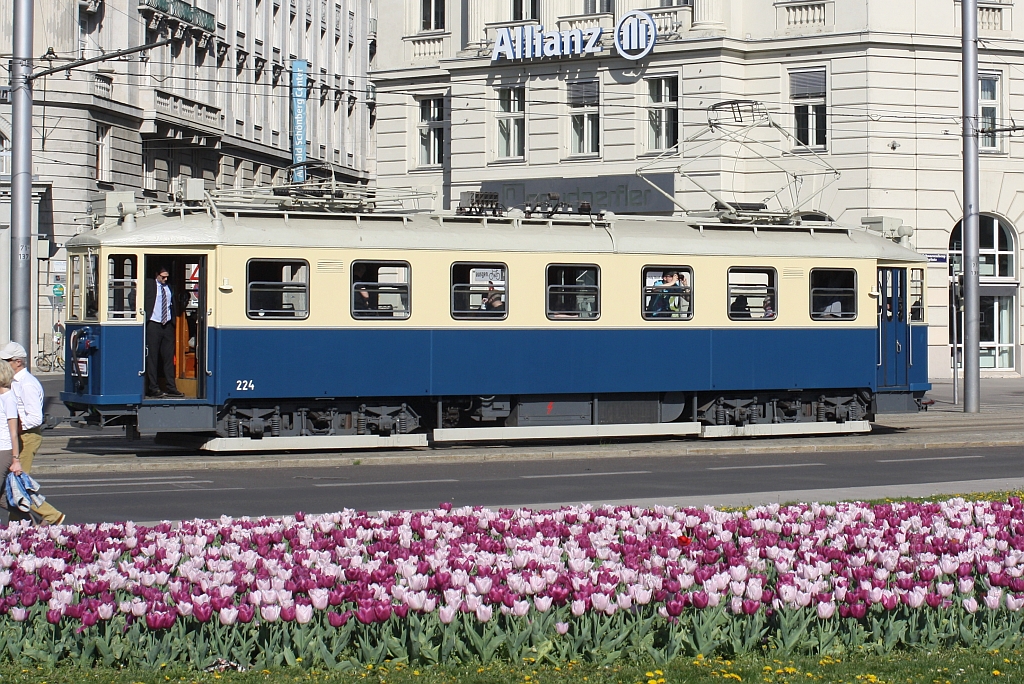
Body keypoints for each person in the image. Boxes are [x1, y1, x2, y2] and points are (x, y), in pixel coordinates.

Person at [0, 341, 65, 525]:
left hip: (27, 436)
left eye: (6, 361)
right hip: (18, 436)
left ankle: (51, 515)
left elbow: (36, 418)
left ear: (18, 362)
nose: (3, 364)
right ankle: (18, 523)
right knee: (12, 484)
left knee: (18, 484)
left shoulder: (27, 384)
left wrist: (15, 427)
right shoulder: (13, 382)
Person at [144, 266, 183, 398]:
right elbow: (133, 295)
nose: (165, 279)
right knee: (152, 358)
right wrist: (144, 316)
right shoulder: (149, 284)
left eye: (167, 277)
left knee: (168, 357)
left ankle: (171, 387)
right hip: (153, 324)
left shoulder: (169, 287)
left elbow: (173, 303)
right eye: (163, 277)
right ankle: (153, 388)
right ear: (157, 274)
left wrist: (173, 321)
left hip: (167, 325)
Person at [0, 361, 23, 523]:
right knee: (3, 499)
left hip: (4, 450)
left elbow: (13, 432)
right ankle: (34, 523)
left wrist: (16, 459)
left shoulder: (9, 398)